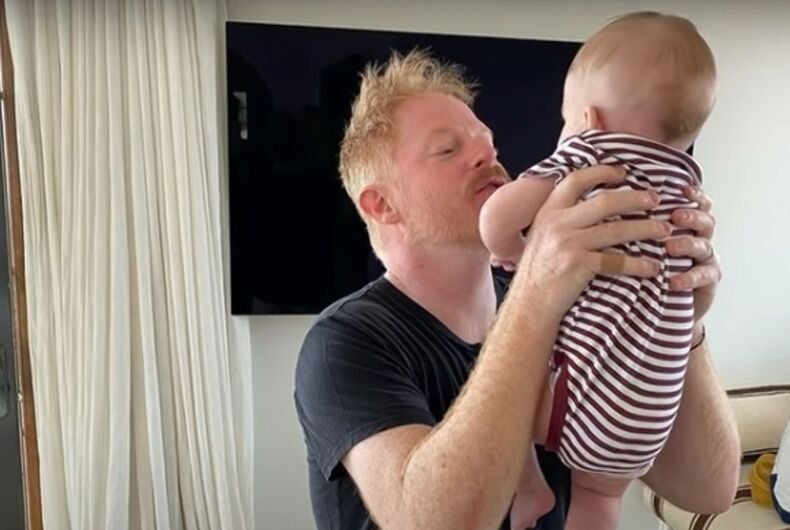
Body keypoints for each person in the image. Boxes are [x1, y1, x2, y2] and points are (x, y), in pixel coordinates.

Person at [294, 44, 739, 530]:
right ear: (381, 205)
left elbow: (709, 489)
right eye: (448, 149)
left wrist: (683, 321)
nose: (486, 154)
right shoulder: (344, 343)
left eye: (486, 143)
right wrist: (536, 290)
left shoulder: (574, 299)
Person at [478, 12, 720, 530]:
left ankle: (528, 486)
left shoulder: (592, 152)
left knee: (507, 399)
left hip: (579, 413)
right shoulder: (686, 191)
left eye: (565, 121)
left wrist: (515, 253)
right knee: (600, 499)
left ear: (587, 117)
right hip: (647, 424)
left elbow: (497, 216)